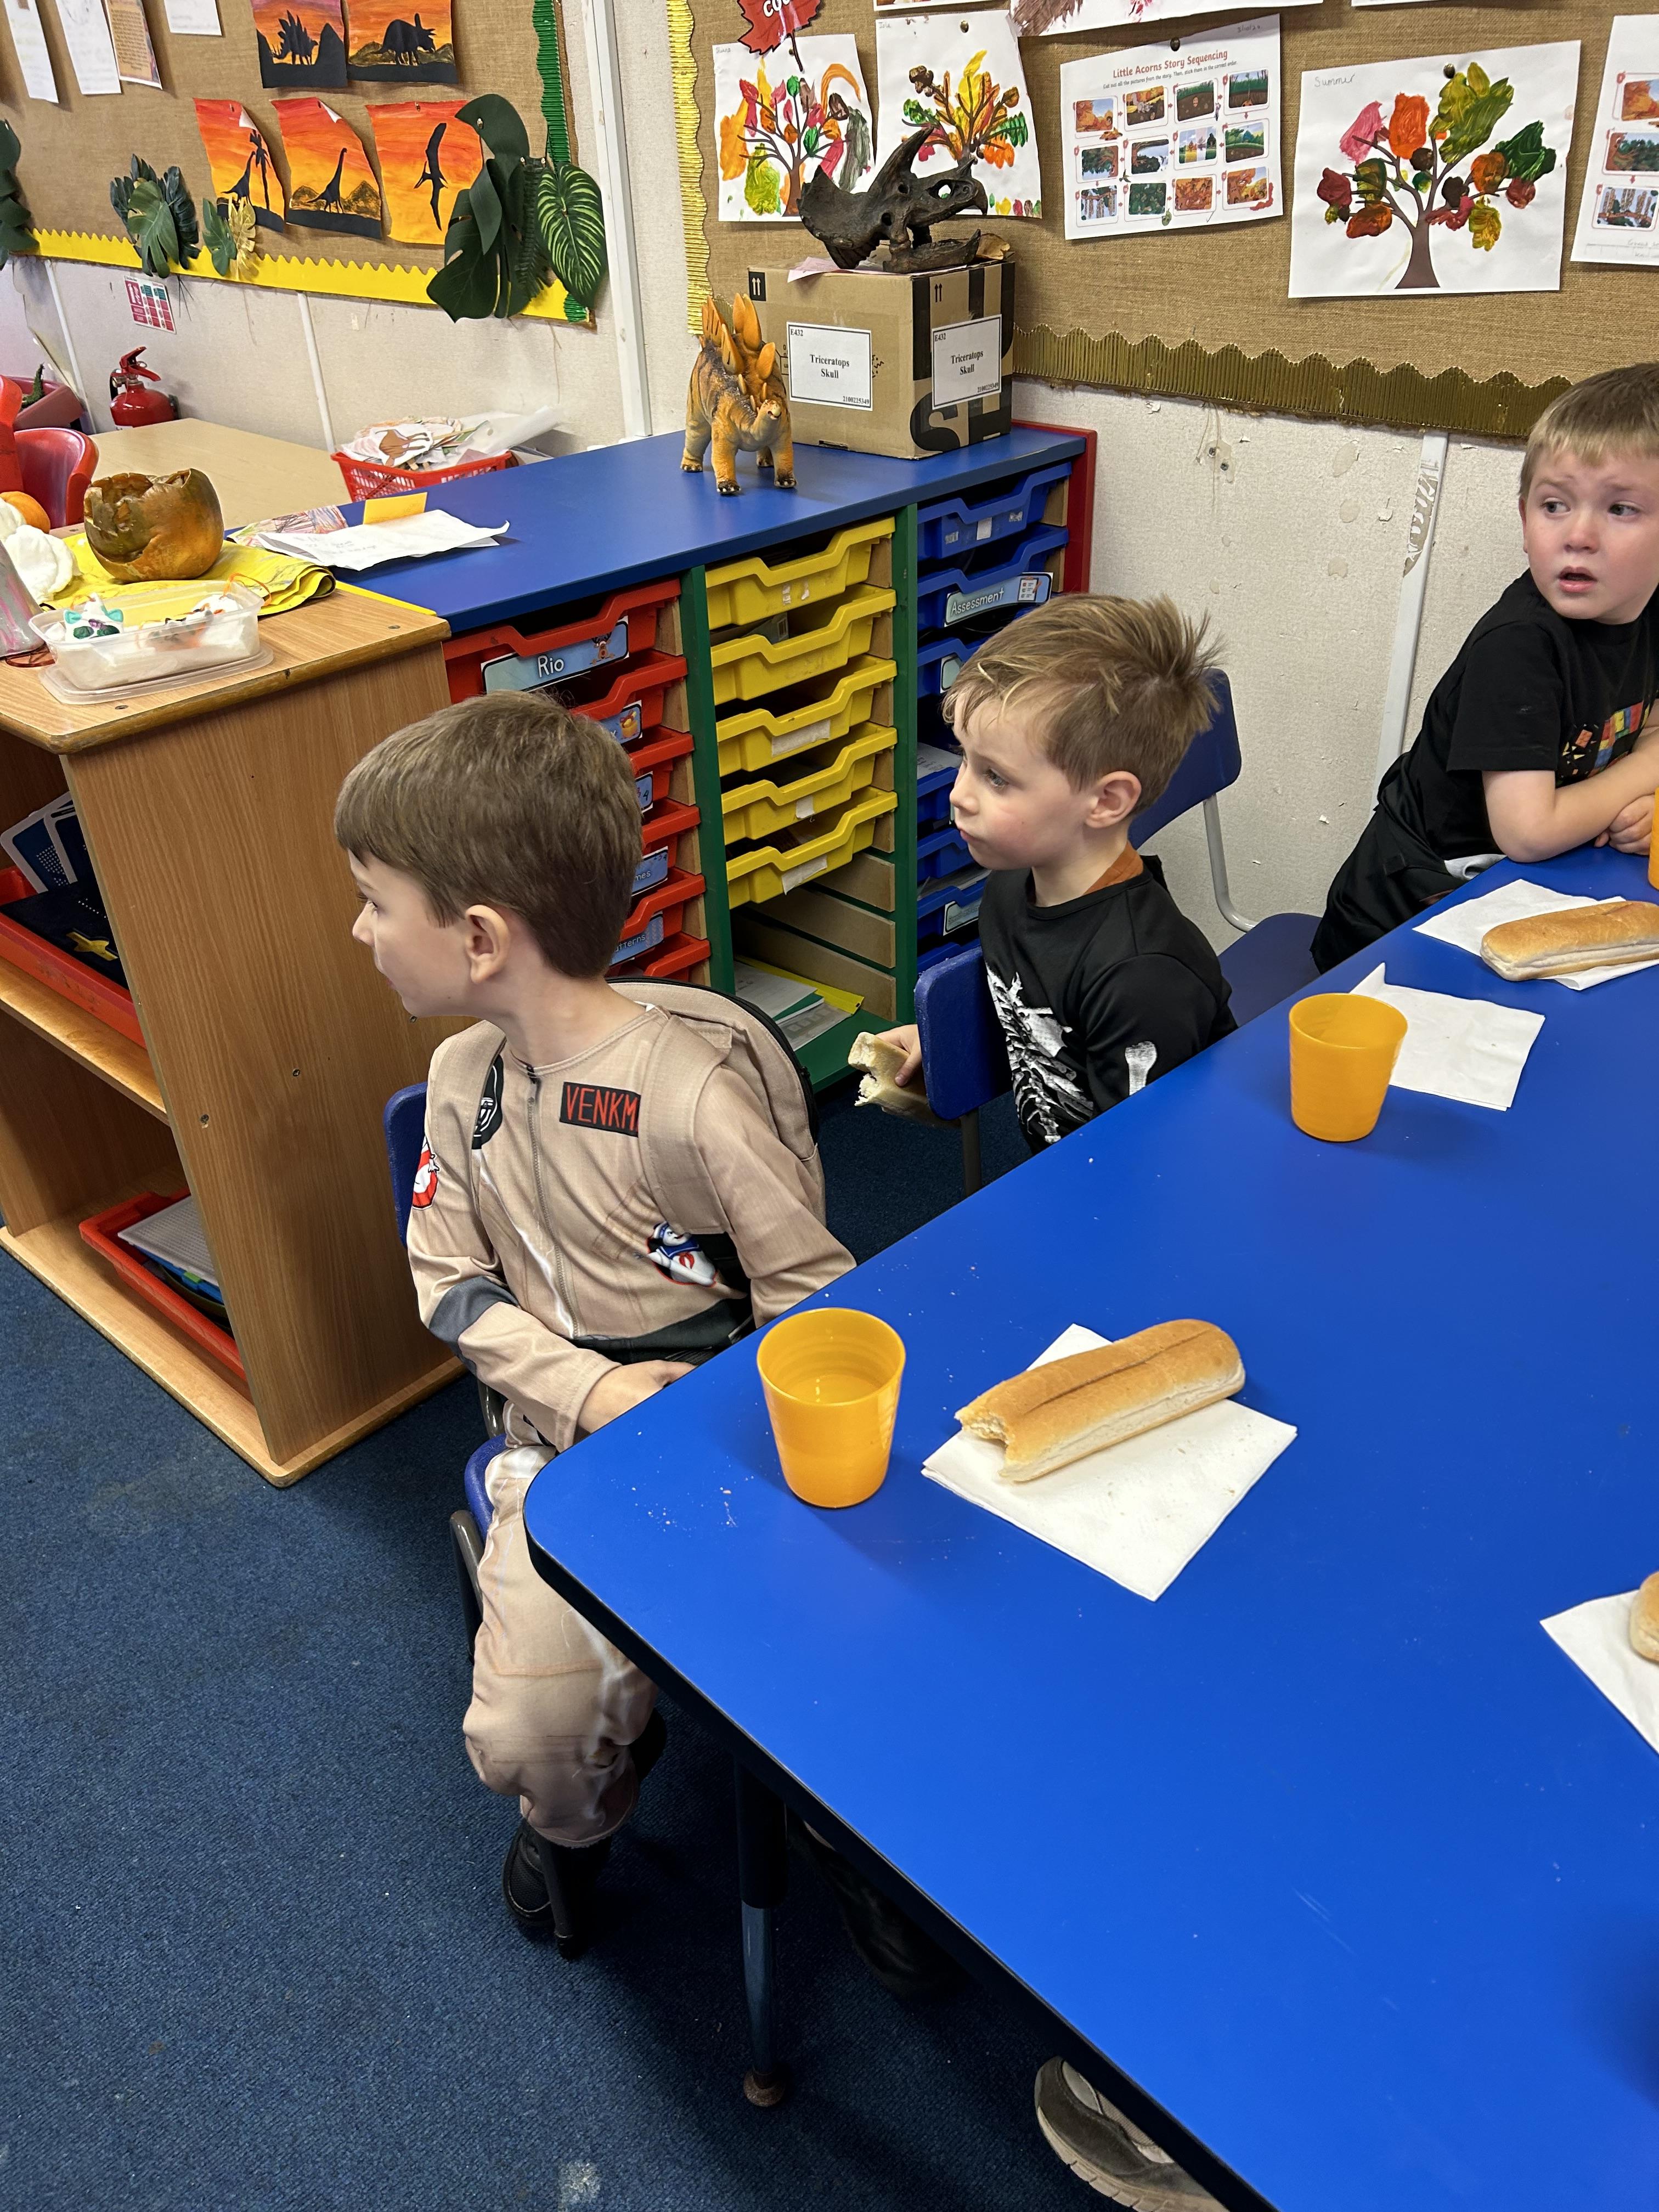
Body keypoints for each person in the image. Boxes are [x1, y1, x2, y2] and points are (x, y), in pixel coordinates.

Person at [334, 692, 854, 1937]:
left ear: (477, 938)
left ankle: (843, 1831)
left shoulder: (692, 1099)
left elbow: (814, 1302)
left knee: (868, 1661)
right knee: (529, 1735)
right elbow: (447, 1279)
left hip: (727, 1439)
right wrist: (589, 1392)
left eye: (374, 901)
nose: (359, 930)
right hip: (556, 1450)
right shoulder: (459, 1076)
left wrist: (721, 1424)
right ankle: (585, 1809)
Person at [1313, 360, 1659, 972]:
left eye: (1621, 509)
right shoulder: (1520, 645)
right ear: (1525, 519)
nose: (1579, 535)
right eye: (1555, 505)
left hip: (1524, 893)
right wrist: (1643, 772)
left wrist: (1640, 805)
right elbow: (1529, 830)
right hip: (1406, 919)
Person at [886, 593, 1235, 1147]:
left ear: (1106, 801)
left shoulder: (1142, 979)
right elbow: (1031, 1010)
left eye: (996, 777)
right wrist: (945, 1042)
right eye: (965, 760)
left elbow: (1145, 1159)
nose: (959, 795)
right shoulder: (1013, 883)